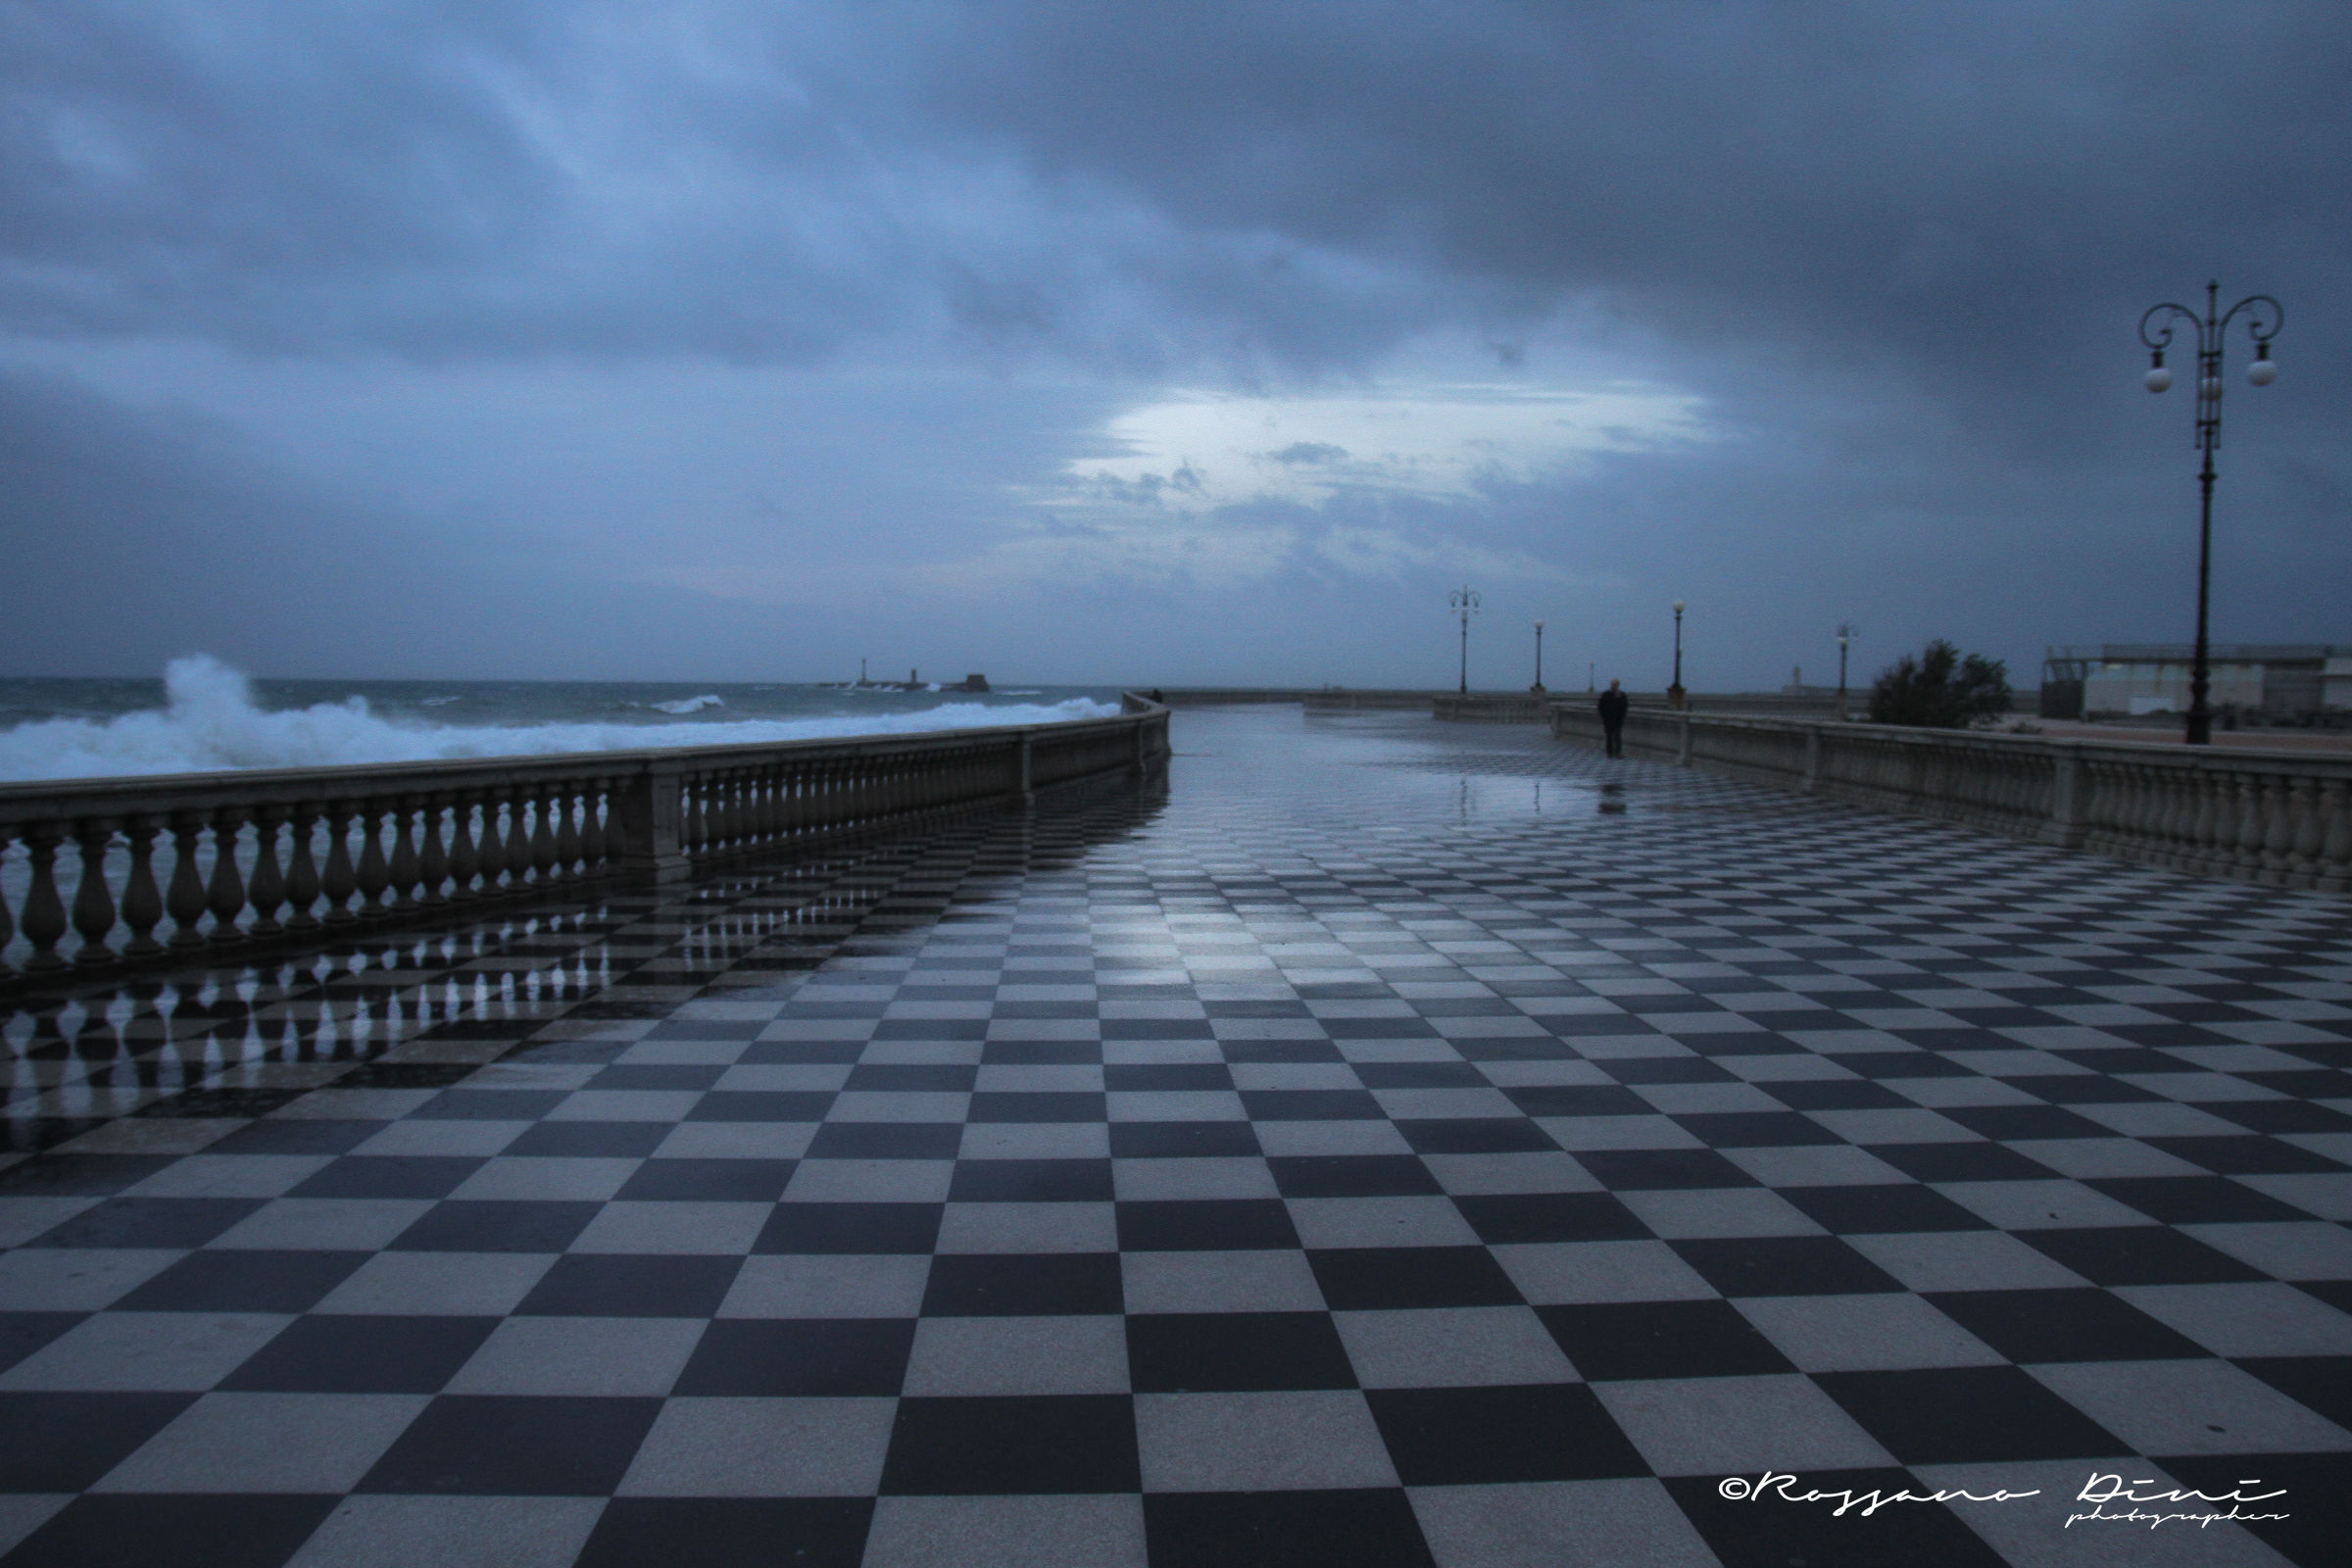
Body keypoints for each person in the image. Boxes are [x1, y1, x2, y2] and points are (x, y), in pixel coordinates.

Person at [1597, 679, 1630, 758]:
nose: (1613, 686)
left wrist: (1622, 717)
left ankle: (1618, 752)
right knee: (1609, 736)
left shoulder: (1622, 695)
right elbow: (1600, 706)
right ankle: (1609, 752)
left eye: (1615, 684)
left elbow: (1625, 706)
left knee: (1618, 736)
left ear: (1618, 685)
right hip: (1608, 719)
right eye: (1612, 684)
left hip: (1618, 720)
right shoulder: (1606, 694)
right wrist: (1604, 717)